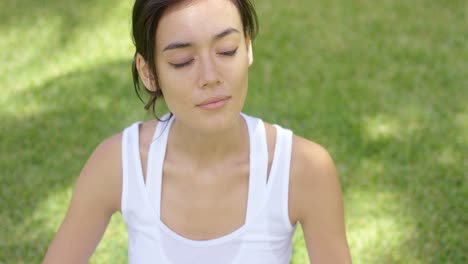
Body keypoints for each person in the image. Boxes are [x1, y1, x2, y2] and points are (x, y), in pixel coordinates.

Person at [43, 0, 352, 263]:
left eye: (226, 51)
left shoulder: (303, 168)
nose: (209, 77)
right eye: (182, 61)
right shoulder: (119, 164)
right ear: (149, 72)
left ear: (248, 48)